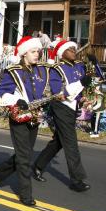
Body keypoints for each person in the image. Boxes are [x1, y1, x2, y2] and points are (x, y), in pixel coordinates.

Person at [0, 37, 50, 206]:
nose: (37, 54)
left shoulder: (41, 71)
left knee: (24, 154)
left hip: (34, 118)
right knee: (24, 157)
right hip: (19, 117)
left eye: (38, 51)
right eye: (33, 51)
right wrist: (17, 101)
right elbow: (1, 94)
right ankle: (26, 195)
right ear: (24, 53)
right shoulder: (13, 71)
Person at [33, 40, 93, 192]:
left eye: (74, 48)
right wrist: (80, 84)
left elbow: (77, 91)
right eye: (70, 49)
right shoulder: (56, 69)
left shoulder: (78, 67)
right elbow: (58, 92)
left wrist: (81, 99)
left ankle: (37, 166)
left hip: (72, 107)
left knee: (59, 141)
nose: (74, 50)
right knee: (70, 142)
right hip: (61, 107)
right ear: (62, 53)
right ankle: (76, 180)